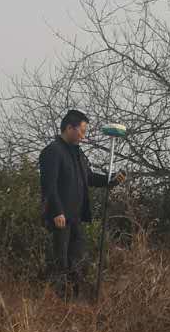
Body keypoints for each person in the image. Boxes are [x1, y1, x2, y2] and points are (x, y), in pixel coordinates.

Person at [38, 110, 122, 299]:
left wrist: (111, 181)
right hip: (60, 219)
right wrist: (57, 211)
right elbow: (49, 186)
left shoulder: (77, 153)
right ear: (69, 128)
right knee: (61, 263)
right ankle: (58, 305)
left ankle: (74, 303)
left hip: (76, 218)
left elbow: (89, 177)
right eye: (81, 131)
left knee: (78, 262)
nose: (84, 136)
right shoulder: (53, 152)